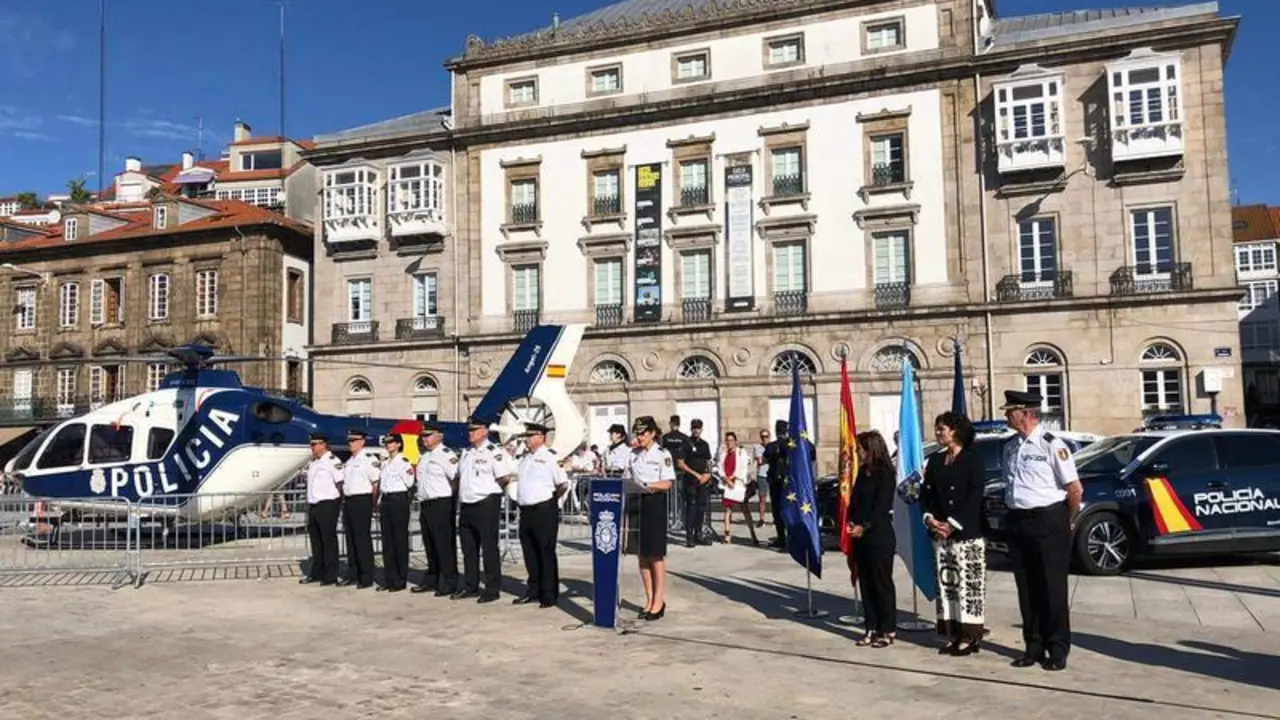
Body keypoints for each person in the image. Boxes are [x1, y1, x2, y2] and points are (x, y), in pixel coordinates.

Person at [1001, 389, 1082, 672]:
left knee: (1052, 587)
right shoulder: (1010, 446)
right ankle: (1033, 646)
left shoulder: (1051, 444)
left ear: (1025, 413)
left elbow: (1074, 489)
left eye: (1010, 411)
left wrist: (1066, 520)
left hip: (1049, 521)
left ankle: (1057, 648)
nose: (1006, 415)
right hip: (1018, 520)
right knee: (1027, 587)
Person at [921, 411, 987, 656]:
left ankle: (970, 636)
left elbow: (974, 495)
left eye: (943, 428)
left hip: (966, 532)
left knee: (969, 586)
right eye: (937, 428)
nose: (939, 433)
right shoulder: (936, 461)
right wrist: (930, 519)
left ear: (956, 431)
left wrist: (952, 523)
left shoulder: (973, 459)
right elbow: (927, 495)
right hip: (940, 534)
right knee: (947, 585)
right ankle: (951, 633)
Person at [455, 416, 516, 603]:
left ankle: (492, 588)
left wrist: (491, 493)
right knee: (469, 548)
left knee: (489, 547)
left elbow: (504, 477)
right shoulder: (466, 453)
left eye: (474, 430)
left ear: (484, 431)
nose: (470, 434)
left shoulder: (494, 452)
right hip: (467, 504)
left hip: (485, 503)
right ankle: (470, 585)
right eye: (469, 430)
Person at [849, 430, 898, 648]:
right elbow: (855, 501)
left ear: (870, 449)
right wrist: (851, 521)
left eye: (860, 447)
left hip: (879, 536)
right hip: (861, 538)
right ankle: (871, 626)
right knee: (866, 584)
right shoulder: (862, 472)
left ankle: (887, 629)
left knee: (881, 583)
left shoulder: (885, 473)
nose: (857, 451)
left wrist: (864, 526)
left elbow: (881, 507)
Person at [624, 415, 676, 621]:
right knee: (641, 554)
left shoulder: (662, 454)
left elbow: (667, 482)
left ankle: (659, 600)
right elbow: (626, 475)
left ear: (653, 433)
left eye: (643, 433)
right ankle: (649, 598)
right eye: (637, 433)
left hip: (654, 502)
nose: (640, 437)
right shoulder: (633, 454)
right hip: (636, 502)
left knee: (655, 554)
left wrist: (649, 486)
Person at [514, 423, 569, 608]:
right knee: (529, 552)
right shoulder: (525, 458)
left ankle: (549, 593)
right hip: (526, 510)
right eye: (526, 435)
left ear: (542, 437)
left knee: (545, 551)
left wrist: (551, 501)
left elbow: (562, 484)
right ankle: (533, 590)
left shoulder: (551, 457)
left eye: (531, 435)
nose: (527, 439)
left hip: (544, 509)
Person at [412, 422, 459, 596]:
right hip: (426, 503)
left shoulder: (446, 454)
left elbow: (456, 477)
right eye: (423, 436)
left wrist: (450, 498)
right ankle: (432, 578)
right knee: (430, 544)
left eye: (428, 435)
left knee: (444, 544)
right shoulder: (425, 456)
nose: (425, 439)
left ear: (439, 436)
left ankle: (449, 580)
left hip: (441, 503)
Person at [339, 429, 379, 589]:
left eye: (353, 440)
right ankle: (353, 573)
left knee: (362, 539)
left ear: (362, 442)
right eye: (349, 441)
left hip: (362, 500)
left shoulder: (368, 459)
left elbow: (376, 482)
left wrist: (373, 502)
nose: (350, 443)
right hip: (349, 501)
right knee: (350, 539)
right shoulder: (349, 462)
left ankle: (366, 576)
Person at [301, 433, 342, 586]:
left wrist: (337, 504)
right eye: (311, 444)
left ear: (324, 444)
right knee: (316, 541)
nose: (312, 447)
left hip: (327, 504)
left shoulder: (332, 461)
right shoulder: (314, 463)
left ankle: (330, 574)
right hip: (314, 504)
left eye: (315, 444)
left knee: (328, 540)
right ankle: (317, 572)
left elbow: (340, 483)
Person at [377, 433, 414, 592]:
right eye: (386, 442)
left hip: (398, 499)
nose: (388, 445)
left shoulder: (403, 462)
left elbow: (409, 482)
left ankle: (400, 579)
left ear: (398, 444)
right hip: (386, 500)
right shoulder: (385, 463)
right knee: (387, 540)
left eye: (391, 442)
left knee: (399, 539)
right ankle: (389, 577)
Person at [717, 431, 758, 546]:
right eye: (727, 441)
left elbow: (742, 468)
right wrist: (726, 479)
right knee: (727, 510)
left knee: (745, 509)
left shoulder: (741, 452)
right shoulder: (723, 454)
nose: (729, 443)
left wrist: (733, 478)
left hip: (738, 484)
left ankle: (752, 533)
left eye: (731, 440)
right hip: (727, 485)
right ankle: (727, 535)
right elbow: (720, 468)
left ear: (735, 442)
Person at [678, 418, 714, 547]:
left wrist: (708, 474)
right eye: (694, 428)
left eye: (698, 428)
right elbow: (680, 463)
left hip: (703, 481)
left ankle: (699, 534)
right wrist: (696, 475)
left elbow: (708, 461)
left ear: (701, 429)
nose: (696, 430)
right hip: (691, 480)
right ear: (691, 429)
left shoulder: (704, 444)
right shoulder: (686, 443)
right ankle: (690, 537)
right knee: (691, 508)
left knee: (701, 508)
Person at [751, 429, 770, 528]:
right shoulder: (757, 447)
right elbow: (760, 461)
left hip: (772, 474)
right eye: (762, 437)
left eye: (766, 436)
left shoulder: (772, 446)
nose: (764, 438)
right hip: (762, 475)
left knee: (776, 498)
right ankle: (761, 518)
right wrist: (771, 457)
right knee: (762, 498)